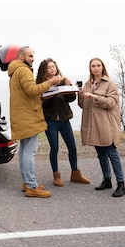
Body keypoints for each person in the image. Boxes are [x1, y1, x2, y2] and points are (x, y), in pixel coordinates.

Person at [8, 46, 62, 198]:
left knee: (24, 150)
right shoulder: (24, 70)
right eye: (30, 56)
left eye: (33, 56)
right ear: (21, 57)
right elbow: (32, 90)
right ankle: (32, 186)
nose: (33, 59)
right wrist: (51, 82)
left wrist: (42, 96)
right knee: (29, 152)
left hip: (20, 115)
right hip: (28, 117)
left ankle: (27, 182)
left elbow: (26, 94)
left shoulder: (14, 71)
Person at [36, 58, 91, 187]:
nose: (52, 69)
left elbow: (70, 99)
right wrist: (51, 93)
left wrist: (68, 87)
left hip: (64, 119)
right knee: (54, 148)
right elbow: (42, 104)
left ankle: (75, 173)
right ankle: (56, 175)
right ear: (44, 70)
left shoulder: (62, 81)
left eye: (53, 66)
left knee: (72, 147)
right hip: (51, 121)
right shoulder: (41, 84)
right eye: (49, 67)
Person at [77, 58, 125, 197]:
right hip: (93, 125)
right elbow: (83, 105)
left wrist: (94, 96)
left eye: (98, 65)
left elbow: (112, 102)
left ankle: (121, 184)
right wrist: (80, 94)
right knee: (100, 153)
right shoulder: (88, 84)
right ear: (90, 68)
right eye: (93, 66)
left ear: (102, 67)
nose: (96, 68)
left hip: (105, 124)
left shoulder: (109, 84)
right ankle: (107, 179)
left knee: (112, 152)